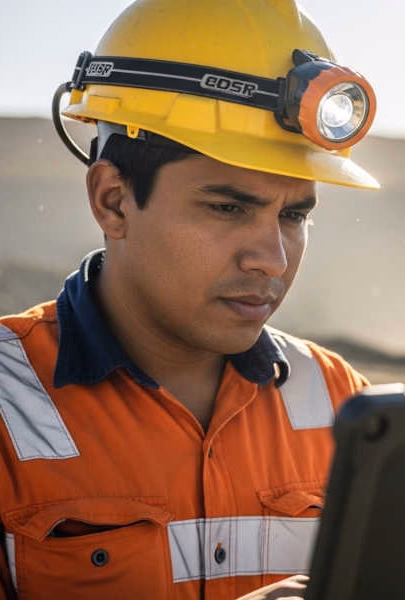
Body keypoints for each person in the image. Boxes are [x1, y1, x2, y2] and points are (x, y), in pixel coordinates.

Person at [0, 1, 380, 598]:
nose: (272, 260)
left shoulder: (343, 403)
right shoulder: (6, 407)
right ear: (113, 201)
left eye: (295, 215)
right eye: (229, 208)